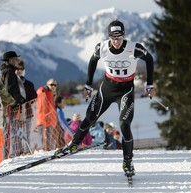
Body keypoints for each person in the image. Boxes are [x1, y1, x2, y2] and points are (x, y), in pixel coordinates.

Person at [55, 20, 155, 178]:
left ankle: (128, 161)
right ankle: (73, 145)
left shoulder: (133, 47)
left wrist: (149, 84)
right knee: (89, 118)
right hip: (107, 88)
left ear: (124, 36)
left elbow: (149, 60)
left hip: (126, 91)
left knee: (124, 124)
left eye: (119, 37)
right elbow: (92, 61)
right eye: (113, 37)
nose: (116, 41)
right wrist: (88, 85)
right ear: (109, 37)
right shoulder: (102, 47)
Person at [36, 78, 58, 151]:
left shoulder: (52, 95)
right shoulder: (43, 91)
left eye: (55, 85)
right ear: (47, 84)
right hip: (43, 119)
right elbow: (39, 91)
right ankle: (42, 152)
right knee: (42, 140)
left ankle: (48, 152)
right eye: (51, 84)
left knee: (49, 140)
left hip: (50, 120)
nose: (53, 86)